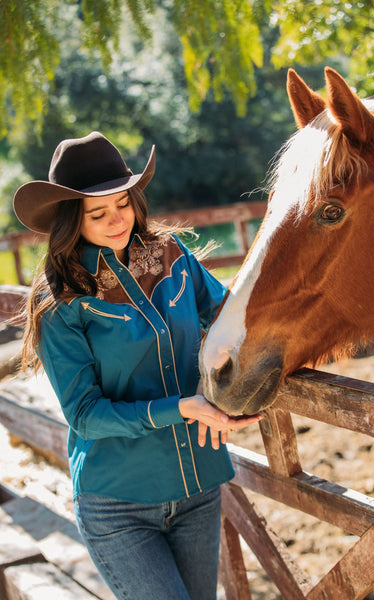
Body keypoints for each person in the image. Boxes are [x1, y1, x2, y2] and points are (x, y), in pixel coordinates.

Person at [13, 131, 262, 600]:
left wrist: (246, 388)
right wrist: (184, 408)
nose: (117, 220)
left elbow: (232, 318)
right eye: (98, 213)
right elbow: (85, 415)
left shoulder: (172, 256)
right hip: (119, 507)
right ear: (71, 219)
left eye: (123, 203)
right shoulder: (61, 300)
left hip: (199, 489)